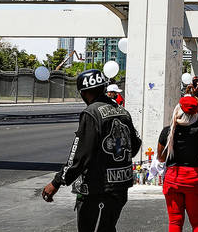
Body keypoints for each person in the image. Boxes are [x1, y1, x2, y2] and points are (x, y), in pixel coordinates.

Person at [41, 68, 140, 232]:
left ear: (84, 93)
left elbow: (79, 155)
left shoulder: (91, 113)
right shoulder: (123, 111)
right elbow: (134, 145)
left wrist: (57, 182)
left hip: (96, 188)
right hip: (120, 186)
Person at [158, 78, 198, 232]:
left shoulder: (167, 131)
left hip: (172, 179)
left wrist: (189, 97)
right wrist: (195, 97)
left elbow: (161, 158)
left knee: (175, 222)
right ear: (195, 112)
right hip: (193, 179)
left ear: (178, 110)